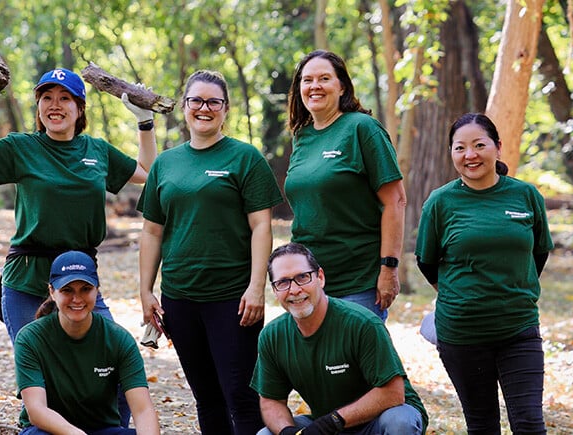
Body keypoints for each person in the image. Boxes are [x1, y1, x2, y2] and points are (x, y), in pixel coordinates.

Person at [0, 65, 157, 344]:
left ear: (80, 109)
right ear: (38, 107)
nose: (54, 105)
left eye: (65, 98)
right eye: (47, 98)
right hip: (27, 280)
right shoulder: (21, 147)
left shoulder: (97, 150)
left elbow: (149, 172)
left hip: (80, 279)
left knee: (110, 354)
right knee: (36, 369)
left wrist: (145, 122)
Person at [138, 70, 284, 434]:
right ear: (184, 107)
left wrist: (256, 287)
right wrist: (145, 291)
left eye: (213, 102)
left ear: (225, 109)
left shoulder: (245, 158)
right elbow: (153, 231)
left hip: (232, 299)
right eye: (196, 101)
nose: (204, 108)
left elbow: (261, 226)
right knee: (206, 395)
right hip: (180, 299)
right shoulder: (165, 164)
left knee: (241, 394)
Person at [415, 113, 553, 434]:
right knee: (482, 425)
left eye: (479, 145)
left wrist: (513, 286)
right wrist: (460, 296)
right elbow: (426, 261)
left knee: (530, 423)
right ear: (451, 154)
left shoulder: (525, 196)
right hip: (462, 335)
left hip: (518, 328)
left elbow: (540, 252)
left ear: (498, 148)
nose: (470, 155)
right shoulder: (440, 202)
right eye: (460, 148)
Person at [251, 243, 428, 435]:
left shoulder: (362, 323)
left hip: (379, 419)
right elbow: (271, 400)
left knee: (399, 422)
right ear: (275, 290)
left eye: (303, 277)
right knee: (266, 434)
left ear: (320, 278)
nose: (294, 289)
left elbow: (393, 393)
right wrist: (287, 432)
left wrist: (333, 421)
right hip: (329, 425)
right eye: (283, 282)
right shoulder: (272, 336)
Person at [284, 50, 405, 321]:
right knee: (314, 362)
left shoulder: (362, 129)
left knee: (356, 360)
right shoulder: (301, 137)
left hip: (358, 280)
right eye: (307, 80)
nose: (315, 86)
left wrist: (389, 268)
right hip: (308, 282)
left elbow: (395, 201)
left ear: (341, 87)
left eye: (324, 78)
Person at [14, 251, 160, 435]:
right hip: (47, 431)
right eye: (67, 290)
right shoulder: (30, 338)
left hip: (102, 430)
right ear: (52, 291)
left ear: (97, 290)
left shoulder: (118, 339)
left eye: (85, 289)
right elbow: (36, 411)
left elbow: (143, 410)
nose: (77, 299)